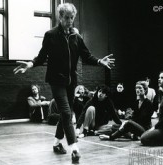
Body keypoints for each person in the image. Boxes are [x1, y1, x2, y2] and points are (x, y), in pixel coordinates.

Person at [13, 3, 115, 163]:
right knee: (67, 113)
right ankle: (75, 149)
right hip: (56, 81)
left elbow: (87, 56)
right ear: (60, 17)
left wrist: (100, 62)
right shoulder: (51, 35)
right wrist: (30, 64)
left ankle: (56, 143)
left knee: (64, 114)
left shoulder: (77, 36)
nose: (69, 21)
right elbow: (41, 57)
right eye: (66, 17)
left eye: (72, 18)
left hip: (71, 81)